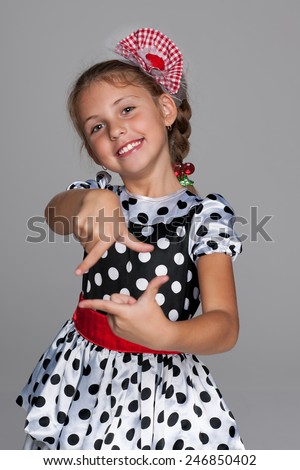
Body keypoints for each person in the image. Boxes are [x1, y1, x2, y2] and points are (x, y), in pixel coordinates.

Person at [17, 28, 244, 450]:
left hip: (164, 387)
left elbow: (225, 326)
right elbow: (56, 212)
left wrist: (168, 337)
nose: (116, 130)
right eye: (97, 126)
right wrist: (91, 201)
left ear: (165, 109)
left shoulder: (205, 215)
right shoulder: (97, 199)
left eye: (127, 110)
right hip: (83, 375)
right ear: (92, 148)